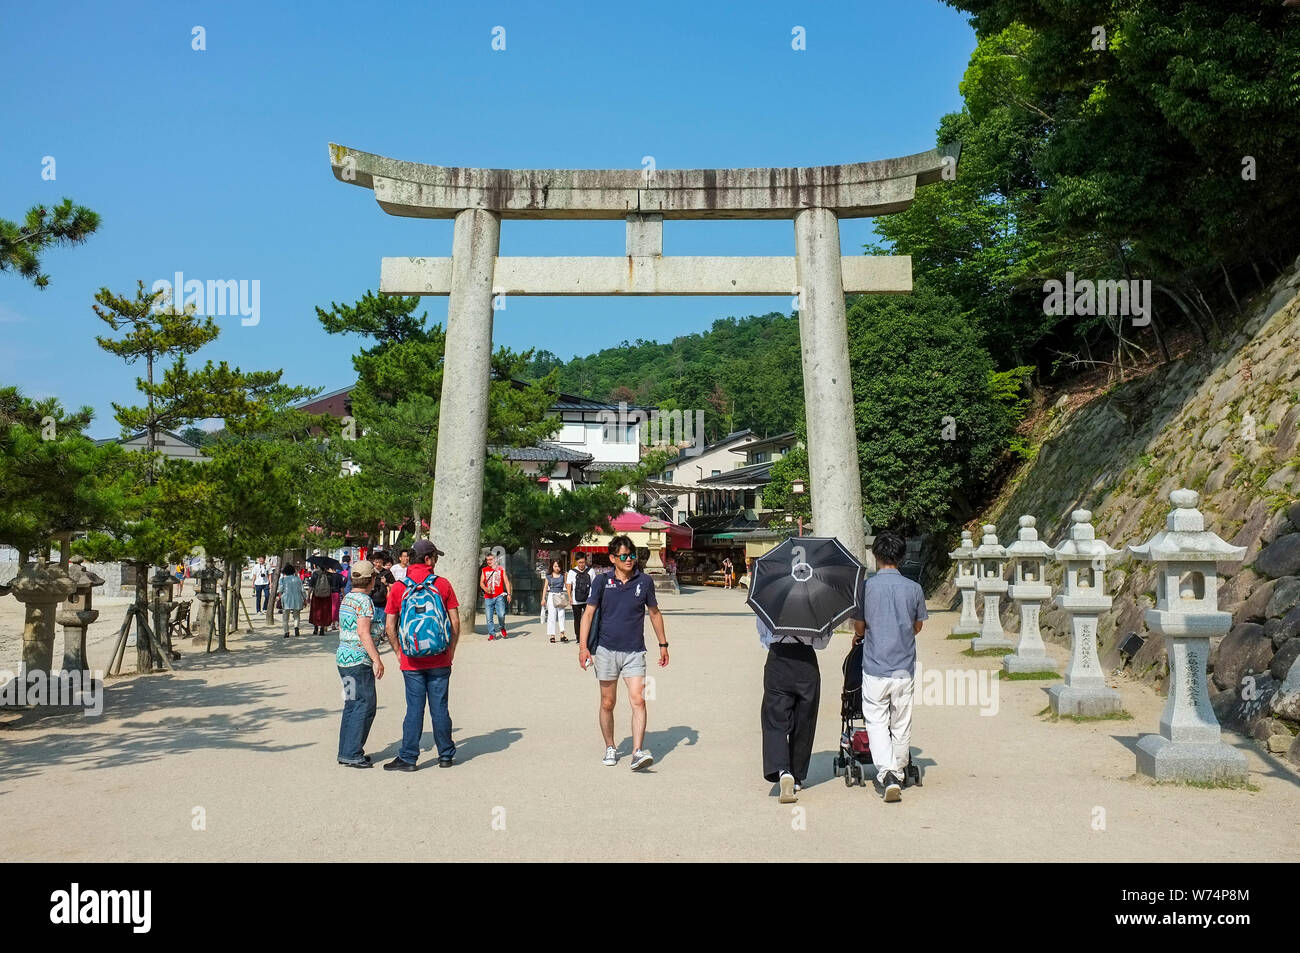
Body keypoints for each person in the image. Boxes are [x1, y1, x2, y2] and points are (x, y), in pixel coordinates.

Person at [578, 535, 669, 770]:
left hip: (635, 652)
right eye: (624, 556)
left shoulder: (645, 581)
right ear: (612, 558)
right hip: (606, 650)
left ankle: (637, 751)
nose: (629, 559)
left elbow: (655, 613)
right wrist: (583, 647)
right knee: (608, 702)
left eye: (631, 555)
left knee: (639, 699)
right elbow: (588, 614)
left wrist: (663, 644)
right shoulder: (601, 581)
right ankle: (610, 746)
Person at [853, 531, 927, 803]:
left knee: (875, 719)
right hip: (903, 667)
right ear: (902, 556)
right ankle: (898, 767)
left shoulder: (865, 588)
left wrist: (861, 633)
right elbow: (918, 625)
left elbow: (859, 625)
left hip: (875, 666)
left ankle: (887, 773)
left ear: (876, 556)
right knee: (901, 721)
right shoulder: (914, 588)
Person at [384, 539, 461, 771]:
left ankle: (408, 757)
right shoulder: (443, 585)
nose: (435, 561)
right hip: (440, 657)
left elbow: (389, 626)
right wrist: (451, 650)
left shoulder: (399, 587)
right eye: (434, 557)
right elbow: (455, 621)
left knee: (414, 708)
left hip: (411, 660)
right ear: (427, 559)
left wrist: (399, 652)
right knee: (440, 707)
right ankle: (445, 755)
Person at [756, 614, 829, 804]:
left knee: (774, 718)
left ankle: (783, 770)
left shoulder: (772, 598)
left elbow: (763, 636)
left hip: (777, 659)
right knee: (805, 718)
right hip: (806, 661)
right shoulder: (816, 604)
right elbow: (822, 643)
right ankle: (796, 775)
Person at [337, 560, 384, 767]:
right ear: (371, 580)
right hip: (358, 659)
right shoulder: (364, 601)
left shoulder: (347, 598)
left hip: (344, 658)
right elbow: (363, 632)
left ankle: (346, 750)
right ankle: (353, 752)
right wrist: (377, 659)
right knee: (364, 705)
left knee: (351, 703)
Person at [480, 552, 511, 641]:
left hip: (499, 596)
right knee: (489, 617)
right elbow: (481, 582)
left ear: (495, 560)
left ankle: (502, 627)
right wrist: (486, 589)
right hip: (488, 597)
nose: (489, 561)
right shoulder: (484, 570)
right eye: (487, 560)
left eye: (491, 559)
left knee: (501, 614)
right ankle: (492, 634)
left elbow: (506, 582)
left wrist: (509, 594)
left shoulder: (501, 569)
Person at [565, 554, 595, 644]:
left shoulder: (591, 571)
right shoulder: (571, 572)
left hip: (588, 599)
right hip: (575, 600)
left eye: (583, 562)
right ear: (576, 562)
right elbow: (568, 585)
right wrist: (570, 598)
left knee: (589, 619)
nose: (581, 564)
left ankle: (588, 637)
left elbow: (594, 585)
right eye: (579, 562)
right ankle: (579, 637)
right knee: (577, 620)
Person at [369, 551, 394, 645]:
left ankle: (376, 641)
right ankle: (371, 642)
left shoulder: (387, 573)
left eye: (379, 562)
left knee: (380, 624)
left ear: (382, 562)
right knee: (370, 623)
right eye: (375, 562)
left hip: (383, 602)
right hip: (371, 601)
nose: (377, 564)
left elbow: (394, 585)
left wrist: (386, 583)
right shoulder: (370, 572)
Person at [278, 563, 306, 637]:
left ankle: (286, 632)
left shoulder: (283, 579)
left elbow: (280, 590)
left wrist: (279, 596)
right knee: (296, 615)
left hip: (286, 599)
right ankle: (296, 627)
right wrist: (305, 598)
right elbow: (302, 590)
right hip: (297, 598)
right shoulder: (298, 579)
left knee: (285, 617)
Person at [543, 559, 567, 643]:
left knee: (561, 614)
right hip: (551, 595)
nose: (557, 568)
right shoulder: (548, 576)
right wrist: (543, 599)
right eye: (555, 566)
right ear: (552, 566)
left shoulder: (563, 575)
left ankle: (562, 634)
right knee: (551, 615)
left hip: (560, 595)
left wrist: (570, 597)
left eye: (559, 566)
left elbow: (567, 586)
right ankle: (552, 635)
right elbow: (545, 588)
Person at [307, 560, 333, 635]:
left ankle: (315, 628)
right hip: (327, 596)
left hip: (317, 595)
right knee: (324, 612)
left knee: (316, 612)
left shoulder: (315, 574)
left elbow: (311, 586)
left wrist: (308, 596)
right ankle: (322, 628)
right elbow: (332, 587)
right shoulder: (330, 575)